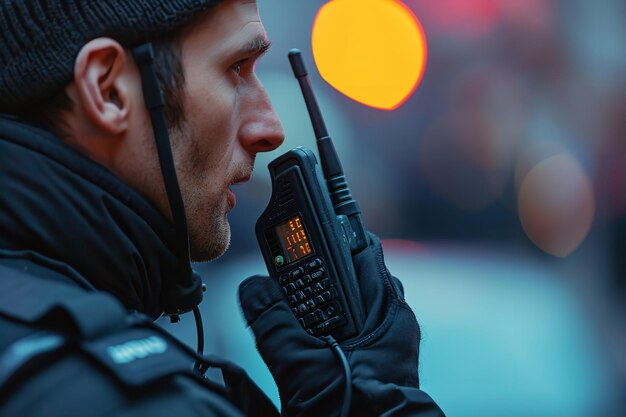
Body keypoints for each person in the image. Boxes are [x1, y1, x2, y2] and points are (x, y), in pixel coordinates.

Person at [0, 0, 445, 416]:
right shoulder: (122, 401)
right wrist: (376, 402)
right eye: (236, 68)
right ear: (108, 90)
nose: (271, 129)